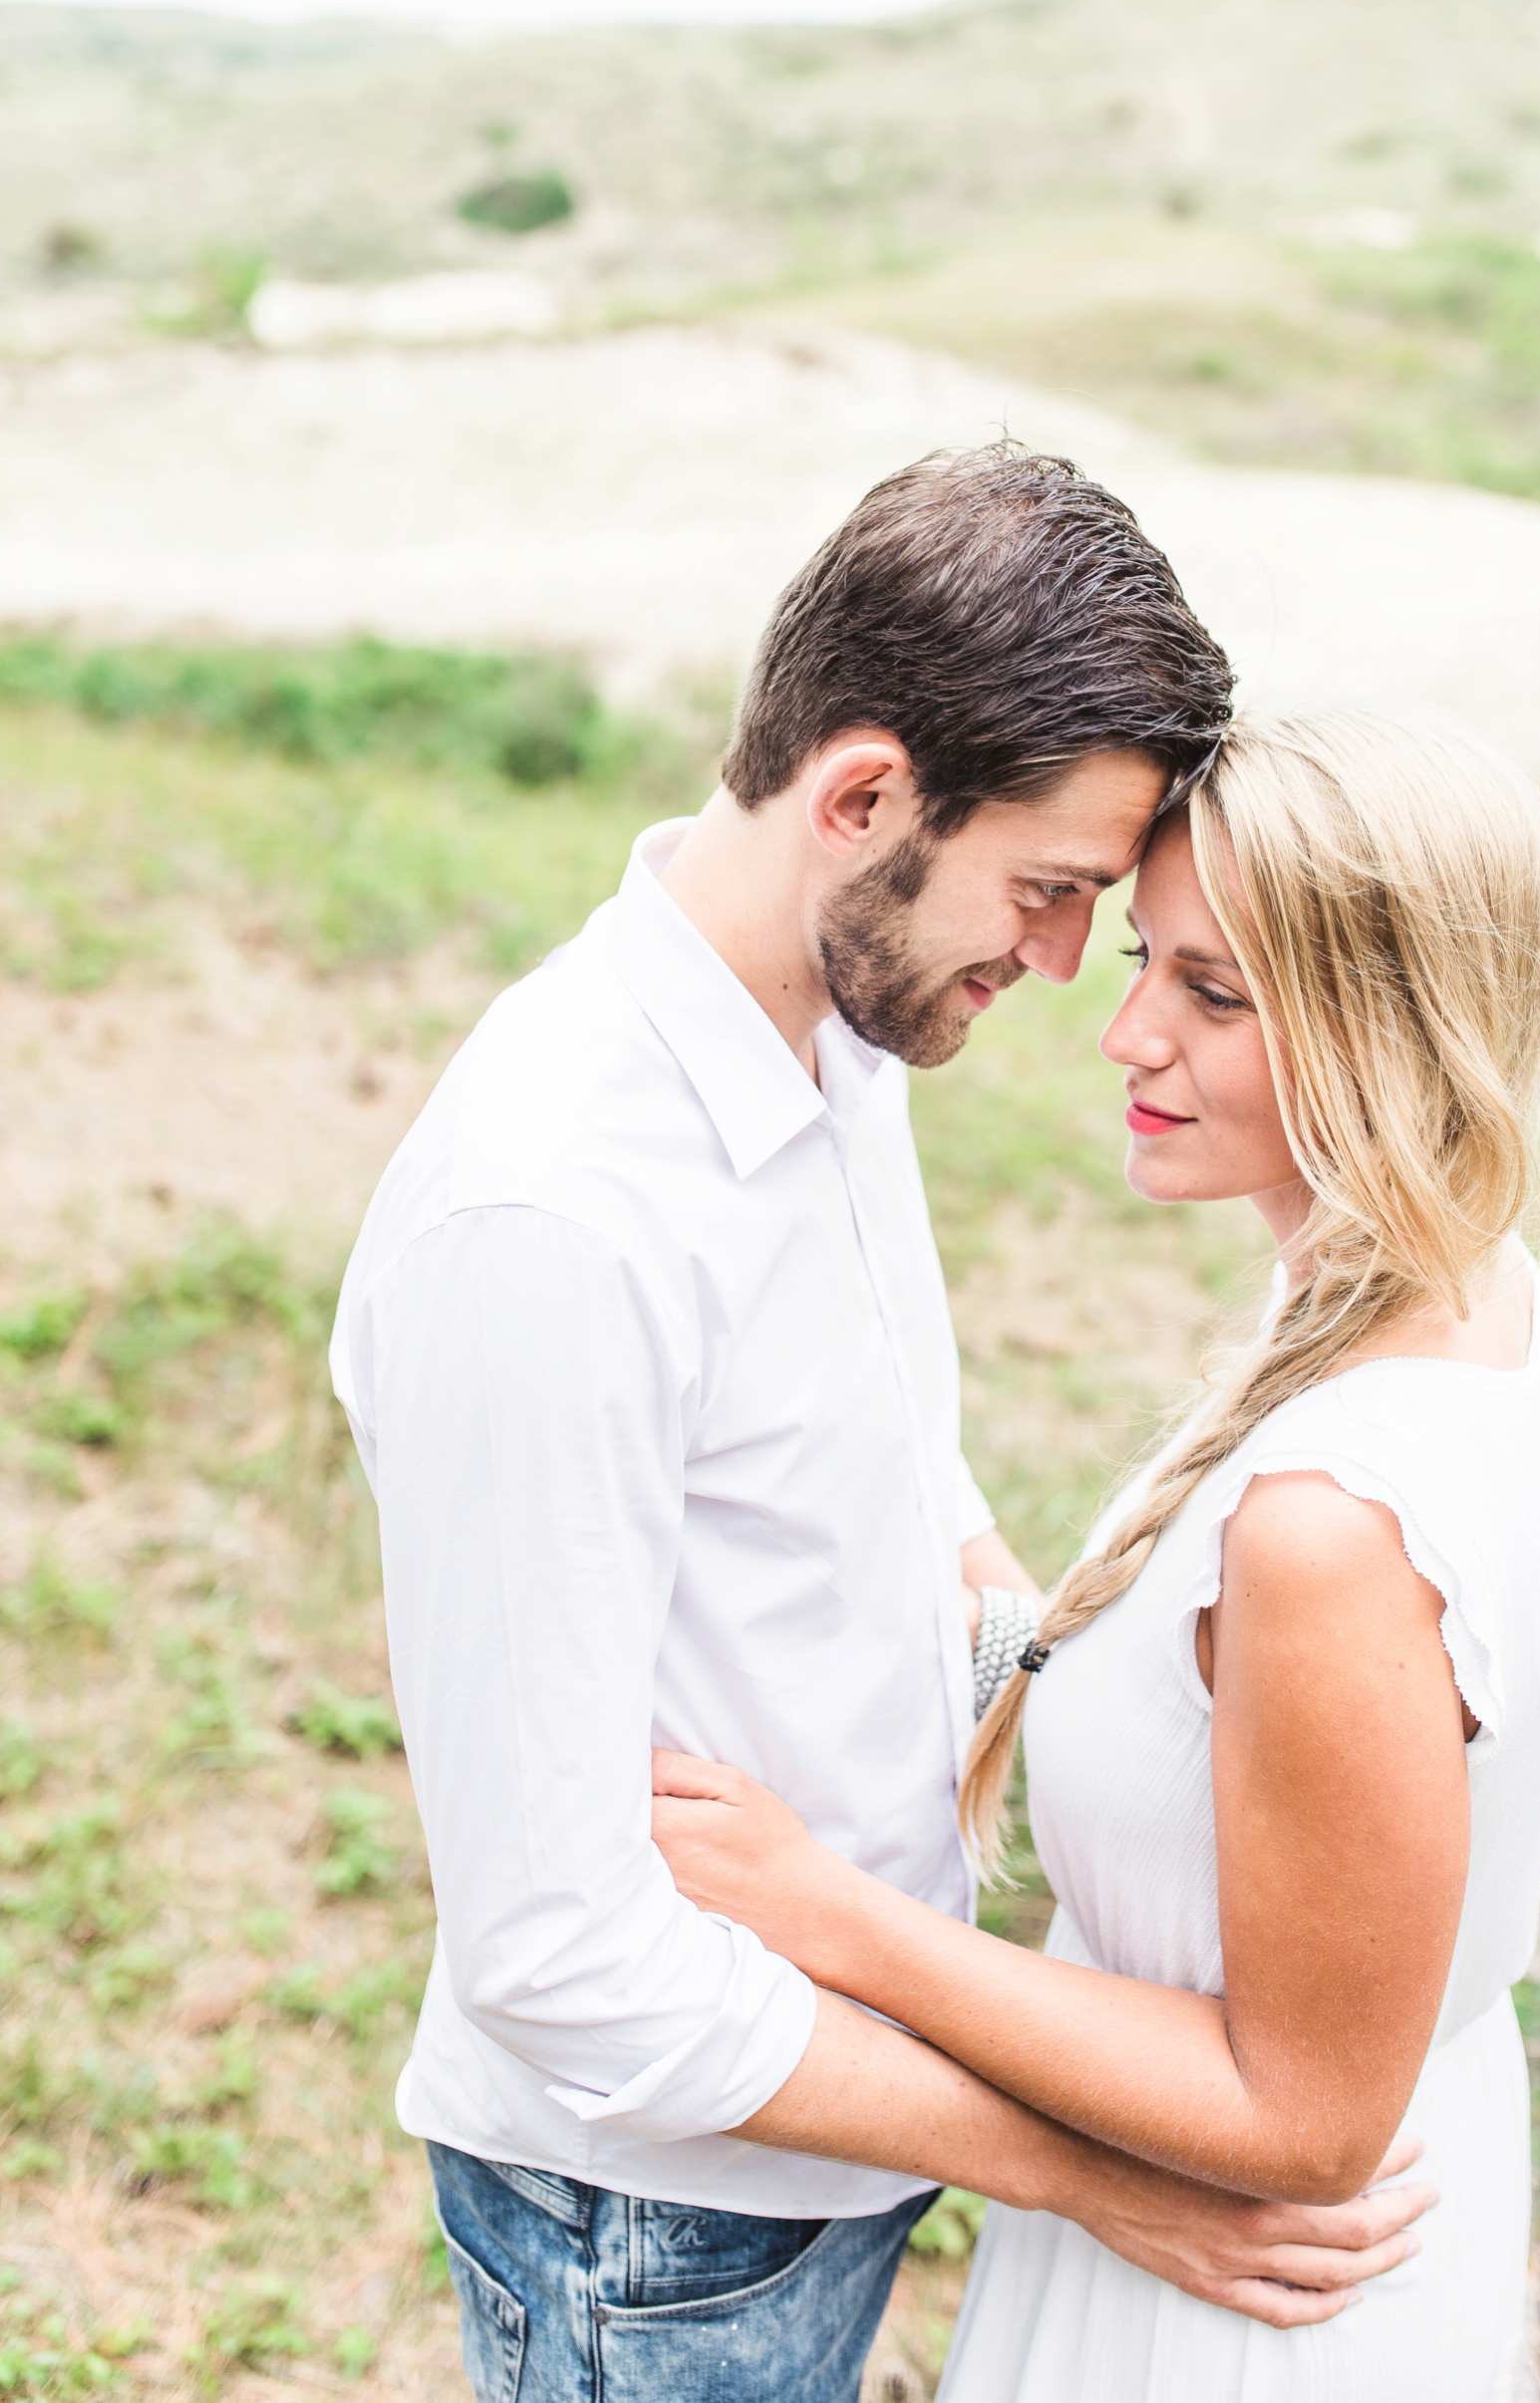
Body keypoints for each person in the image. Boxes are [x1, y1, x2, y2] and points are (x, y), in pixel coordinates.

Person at [328, 453, 1436, 2403]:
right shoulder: (556, 1224)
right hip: (661, 2227)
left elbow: (889, 1465)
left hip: (842, 2117)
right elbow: (558, 1953)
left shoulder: (840, 1031)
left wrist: (1062, 1671)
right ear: (860, 798)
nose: (1070, 970)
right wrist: (1096, 2170)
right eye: (1051, 891)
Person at [649, 708, 1540, 2403]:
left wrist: (825, 1914)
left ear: (1396, 1032)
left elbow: (1304, 2118)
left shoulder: (1330, 1531)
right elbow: (1179, 1709)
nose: (1127, 1032)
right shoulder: (1468, 1286)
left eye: (1215, 995)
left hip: (1247, 2310)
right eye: (1148, 957)